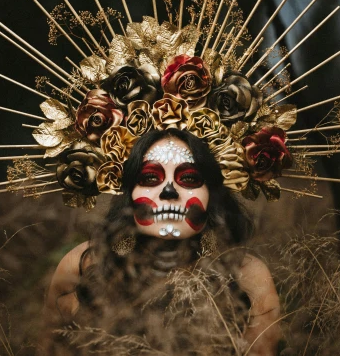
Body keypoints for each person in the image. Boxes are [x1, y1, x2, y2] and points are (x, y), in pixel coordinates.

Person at [45, 128, 281, 355]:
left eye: (188, 178)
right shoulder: (83, 263)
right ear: (129, 194)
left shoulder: (247, 272)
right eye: (150, 178)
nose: (169, 190)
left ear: (212, 193)